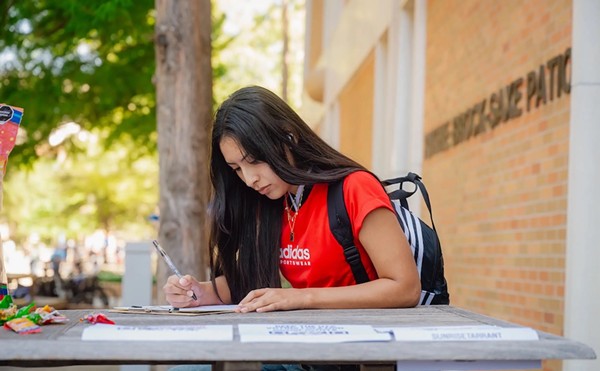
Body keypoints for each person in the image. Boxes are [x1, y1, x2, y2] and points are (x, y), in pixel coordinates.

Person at [163, 85, 421, 314]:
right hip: (305, 347)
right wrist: (198, 292)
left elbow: (405, 288)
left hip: (361, 351)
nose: (249, 179)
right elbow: (250, 277)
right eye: (237, 169)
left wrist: (301, 297)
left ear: (288, 136)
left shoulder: (355, 188)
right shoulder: (276, 200)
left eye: (254, 160)